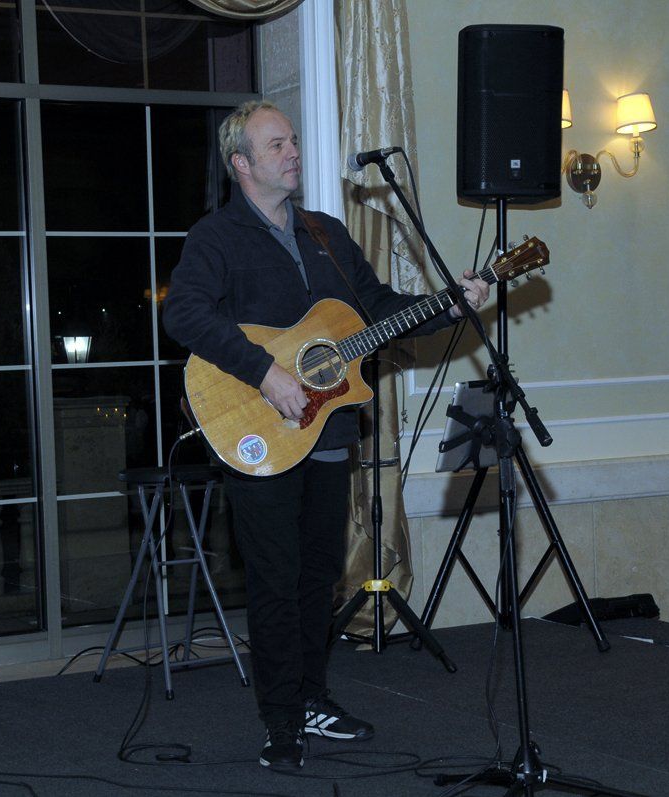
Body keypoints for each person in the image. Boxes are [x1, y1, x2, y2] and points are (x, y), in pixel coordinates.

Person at [162, 100, 489, 771]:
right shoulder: (216, 237)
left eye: (293, 141)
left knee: (318, 580)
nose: (293, 152)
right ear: (241, 164)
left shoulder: (327, 234)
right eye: (276, 145)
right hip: (259, 435)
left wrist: (448, 305)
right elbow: (185, 314)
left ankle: (313, 697)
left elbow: (377, 310)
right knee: (275, 582)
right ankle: (281, 722)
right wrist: (265, 372)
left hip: (329, 432)